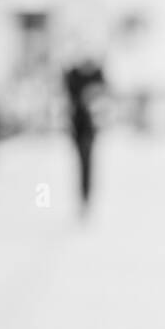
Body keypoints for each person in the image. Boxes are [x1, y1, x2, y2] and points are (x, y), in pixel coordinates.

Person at [63, 58, 105, 216]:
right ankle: (83, 198)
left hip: (89, 129)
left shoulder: (96, 75)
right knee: (83, 163)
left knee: (86, 163)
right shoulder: (73, 76)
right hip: (79, 128)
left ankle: (85, 198)